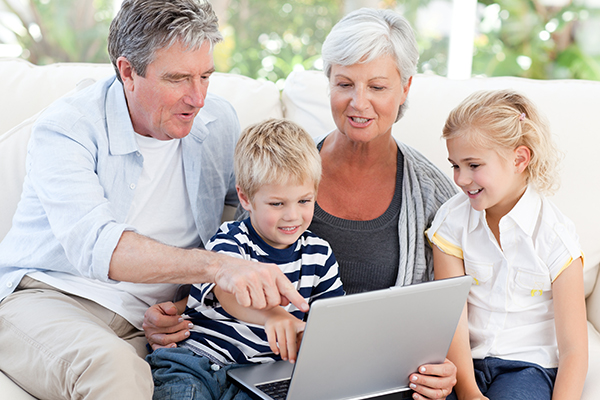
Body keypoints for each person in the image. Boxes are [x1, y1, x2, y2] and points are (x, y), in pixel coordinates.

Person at [144, 8, 459, 400]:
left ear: (406, 88)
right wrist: (170, 310)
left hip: (349, 377)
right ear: (328, 82)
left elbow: (448, 311)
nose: (359, 103)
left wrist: (446, 369)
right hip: (243, 365)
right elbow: (226, 271)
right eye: (345, 83)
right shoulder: (283, 167)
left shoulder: (434, 196)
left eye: (377, 87)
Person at [0, 1, 308, 398]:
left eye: (205, 77)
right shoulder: (67, 129)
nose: (197, 98)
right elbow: (98, 247)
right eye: (178, 78)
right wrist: (218, 268)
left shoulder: (216, 123)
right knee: (114, 368)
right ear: (128, 72)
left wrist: (185, 304)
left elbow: (266, 207)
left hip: (153, 324)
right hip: (49, 298)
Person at [147, 118, 345, 399]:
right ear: (245, 197)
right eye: (277, 204)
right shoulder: (230, 240)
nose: (292, 215)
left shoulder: (319, 254)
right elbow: (229, 292)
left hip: (258, 377)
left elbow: (333, 320)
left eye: (304, 201)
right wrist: (276, 317)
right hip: (196, 363)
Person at [427, 89, 588, 399]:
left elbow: (574, 351)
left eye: (473, 165)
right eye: (455, 166)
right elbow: (452, 320)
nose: (460, 179)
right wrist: (469, 392)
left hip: (527, 368)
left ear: (519, 159)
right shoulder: (452, 220)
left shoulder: (555, 236)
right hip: (464, 364)